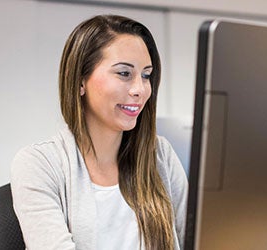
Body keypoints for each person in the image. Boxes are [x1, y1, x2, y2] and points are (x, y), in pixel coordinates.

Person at [10, 15, 188, 249]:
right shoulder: (39, 164)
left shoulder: (159, 155)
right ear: (80, 80)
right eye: (124, 73)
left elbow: (200, 241)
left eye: (146, 75)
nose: (140, 89)